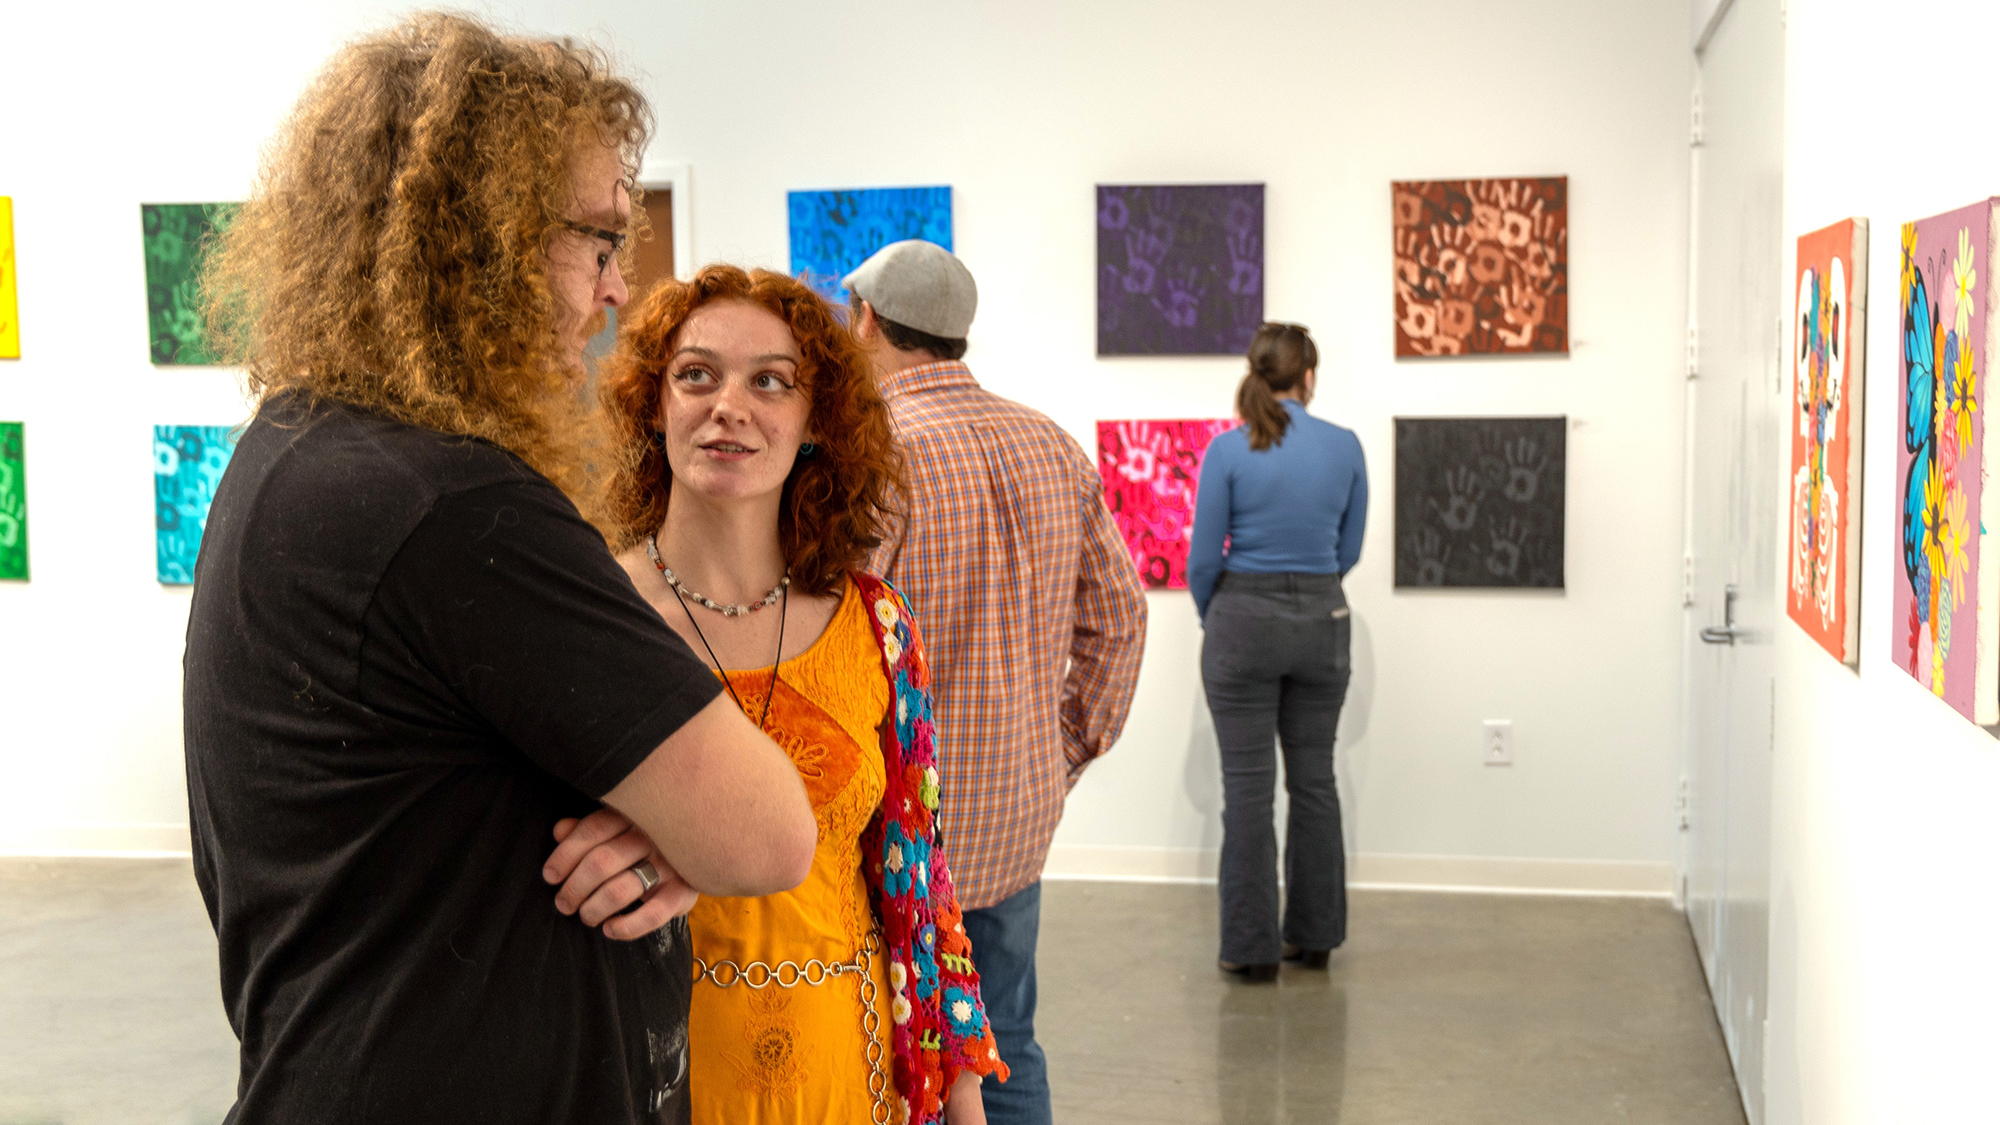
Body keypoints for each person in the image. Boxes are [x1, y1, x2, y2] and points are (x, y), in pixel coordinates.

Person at [183, 16, 816, 1123]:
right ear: (480, 236)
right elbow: (766, 829)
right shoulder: (452, 505)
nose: (618, 292)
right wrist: (689, 830)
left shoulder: (295, 449)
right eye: (600, 243)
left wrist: (671, 831)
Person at [583, 263, 1005, 1125]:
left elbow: (919, 887)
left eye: (770, 381)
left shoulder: (875, 625)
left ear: (816, 420)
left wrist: (960, 1094)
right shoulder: (589, 618)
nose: (728, 405)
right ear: (653, 402)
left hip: (848, 1078)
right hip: (651, 1076)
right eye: (696, 373)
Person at [846, 240, 1148, 1125]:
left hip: (894, 829)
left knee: (890, 1048)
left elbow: (831, 638)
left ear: (867, 319)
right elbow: (1121, 619)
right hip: (1016, 816)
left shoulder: (878, 455)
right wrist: (1057, 754)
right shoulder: (1050, 441)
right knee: (1005, 1042)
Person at [1187, 321, 1369, 982]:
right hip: (1323, 617)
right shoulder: (1345, 447)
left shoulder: (1228, 451)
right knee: (1315, 779)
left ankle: (1251, 947)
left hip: (1242, 620)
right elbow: (1347, 552)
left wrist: (1226, 616)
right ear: (1309, 376)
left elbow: (1203, 561)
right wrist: (1309, 591)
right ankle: (1315, 938)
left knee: (1247, 788)